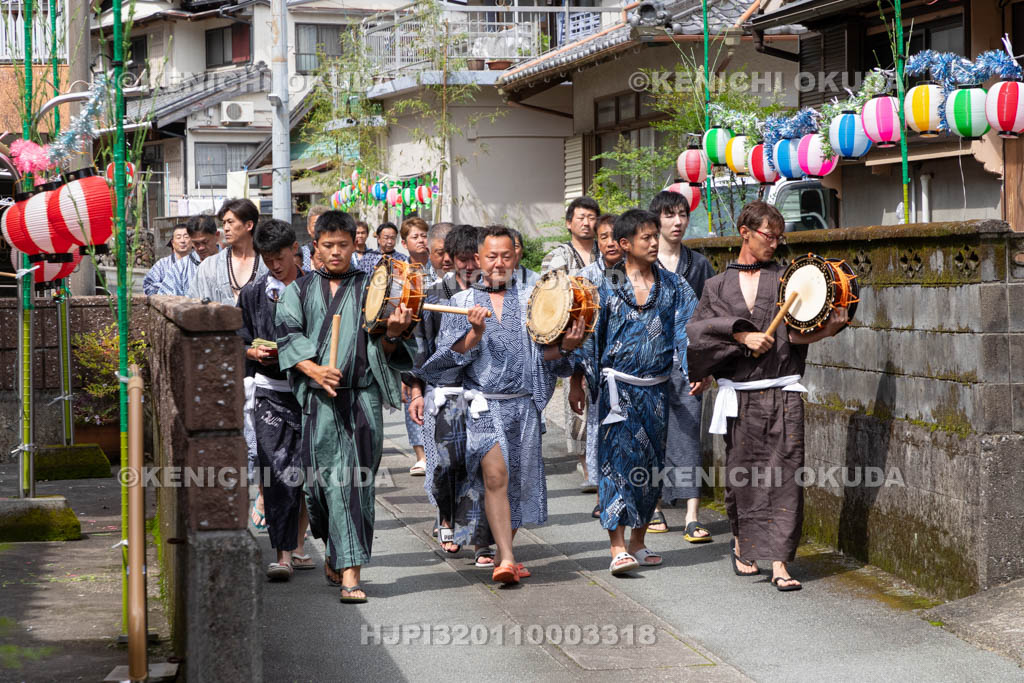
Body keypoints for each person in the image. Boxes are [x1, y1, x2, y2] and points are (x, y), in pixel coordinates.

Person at [686, 201, 847, 592]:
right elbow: (699, 333)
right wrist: (741, 335)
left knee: (786, 475)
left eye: (779, 238)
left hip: (783, 393)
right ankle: (743, 543)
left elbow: (796, 333)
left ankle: (780, 562)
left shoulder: (789, 279)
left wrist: (829, 330)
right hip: (740, 397)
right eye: (768, 236)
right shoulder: (715, 286)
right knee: (743, 475)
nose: (774, 244)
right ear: (745, 232)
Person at [420, 226, 583, 584]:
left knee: (517, 483)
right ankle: (506, 558)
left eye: (506, 256)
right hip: (482, 406)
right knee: (496, 476)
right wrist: (474, 334)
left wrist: (567, 347)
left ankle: (502, 551)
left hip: (523, 406)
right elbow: (445, 360)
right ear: (478, 259)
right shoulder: (462, 302)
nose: (498, 263)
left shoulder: (533, 299)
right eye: (491, 256)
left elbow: (543, 356)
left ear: (516, 257)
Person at [275, 210, 416, 603]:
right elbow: (287, 335)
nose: (336, 252)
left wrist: (392, 334)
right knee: (319, 488)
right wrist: (314, 370)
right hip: (318, 401)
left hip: (360, 399)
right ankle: (335, 548)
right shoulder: (298, 291)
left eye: (343, 244)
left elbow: (388, 346)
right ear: (316, 247)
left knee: (355, 484)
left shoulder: (374, 287)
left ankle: (352, 575)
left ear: (355, 244)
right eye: (328, 245)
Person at [569, 209, 697, 576]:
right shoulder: (604, 283)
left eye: (656, 236)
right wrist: (578, 381)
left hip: (656, 390)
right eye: (647, 237)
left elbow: (688, 331)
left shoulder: (674, 284)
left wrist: (696, 370)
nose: (655, 242)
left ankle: (639, 542)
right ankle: (617, 546)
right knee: (615, 466)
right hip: (616, 389)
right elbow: (589, 338)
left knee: (651, 467)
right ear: (625, 244)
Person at [407, 225, 495, 565]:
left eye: (475, 259)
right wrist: (417, 390)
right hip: (444, 390)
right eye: (462, 259)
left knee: (481, 465)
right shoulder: (433, 295)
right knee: (446, 463)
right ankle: (445, 516)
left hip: (482, 393)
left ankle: (480, 541)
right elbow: (421, 347)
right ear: (451, 259)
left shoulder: (495, 294)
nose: (469, 266)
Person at [237, 218, 311, 581]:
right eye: (267, 260)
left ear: (294, 249)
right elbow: (239, 337)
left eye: (280, 257)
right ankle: (282, 554)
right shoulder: (252, 293)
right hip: (269, 390)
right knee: (276, 471)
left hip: (310, 389)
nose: (275, 265)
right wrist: (251, 353)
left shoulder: (315, 288)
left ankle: (298, 544)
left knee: (311, 473)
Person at [647, 190, 717, 537]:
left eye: (683, 215)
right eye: (669, 215)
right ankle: (654, 505)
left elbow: (710, 318)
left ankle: (692, 513)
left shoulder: (699, 264)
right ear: (656, 220)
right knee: (652, 434)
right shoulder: (642, 263)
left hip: (688, 361)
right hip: (647, 364)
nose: (678, 222)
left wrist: (706, 365)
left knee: (689, 434)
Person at [541, 197, 601, 479]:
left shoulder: (607, 250)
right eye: (581, 217)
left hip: (604, 335)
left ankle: (601, 460)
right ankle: (585, 464)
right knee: (576, 400)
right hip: (573, 335)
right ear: (569, 223)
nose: (586, 223)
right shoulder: (559, 256)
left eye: (591, 217)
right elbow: (549, 295)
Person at [576, 213, 619, 505]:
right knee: (598, 432)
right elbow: (577, 336)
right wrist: (575, 382)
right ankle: (603, 497)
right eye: (603, 237)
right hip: (597, 373)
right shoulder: (586, 277)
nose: (610, 243)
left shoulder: (643, 274)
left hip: (634, 371)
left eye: (615, 236)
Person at [399, 215, 433, 476]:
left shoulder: (439, 268)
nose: (421, 240)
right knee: (411, 391)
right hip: (410, 339)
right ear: (404, 242)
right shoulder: (400, 273)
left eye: (424, 235)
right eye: (415, 236)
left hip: (435, 337)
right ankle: (421, 454)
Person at [188, 198, 267, 305]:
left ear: (249, 225)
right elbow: (193, 304)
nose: (225, 228)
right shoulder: (209, 266)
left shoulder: (267, 263)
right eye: (224, 223)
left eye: (230, 222)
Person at [156, 215, 220, 296]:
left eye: (205, 242)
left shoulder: (229, 261)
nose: (201, 248)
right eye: (196, 243)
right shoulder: (180, 268)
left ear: (217, 236)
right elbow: (164, 297)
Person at [143, 223, 191, 295]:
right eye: (178, 237)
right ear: (172, 242)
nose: (182, 241)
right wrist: (167, 290)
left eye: (186, 237)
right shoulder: (162, 264)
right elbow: (148, 284)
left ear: (192, 241)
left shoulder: (198, 263)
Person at [300, 205, 330, 273]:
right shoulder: (301, 253)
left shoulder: (340, 252)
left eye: (324, 224)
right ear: (308, 229)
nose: (319, 228)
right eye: (315, 225)